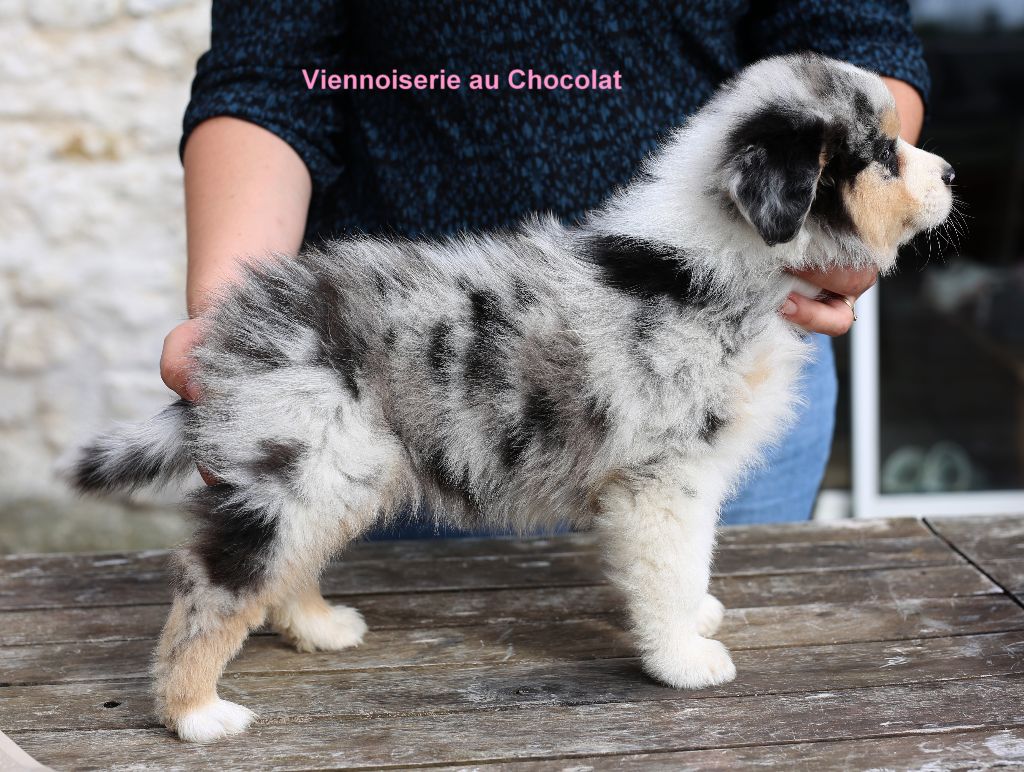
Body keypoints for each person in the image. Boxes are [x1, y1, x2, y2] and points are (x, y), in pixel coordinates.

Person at [162, 1, 928, 530]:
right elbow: (273, 73)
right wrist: (237, 320)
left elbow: (854, 35)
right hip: (407, 382)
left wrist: (855, 197)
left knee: (712, 690)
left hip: (725, 360)